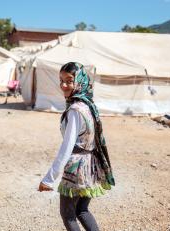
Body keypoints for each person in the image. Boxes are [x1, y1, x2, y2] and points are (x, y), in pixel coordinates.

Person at [38, 62, 115, 231]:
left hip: (77, 169)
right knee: (82, 210)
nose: (64, 85)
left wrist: (48, 179)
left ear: (79, 81)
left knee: (68, 215)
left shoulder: (74, 110)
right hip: (90, 166)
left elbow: (67, 148)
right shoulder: (88, 105)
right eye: (61, 80)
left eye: (69, 80)